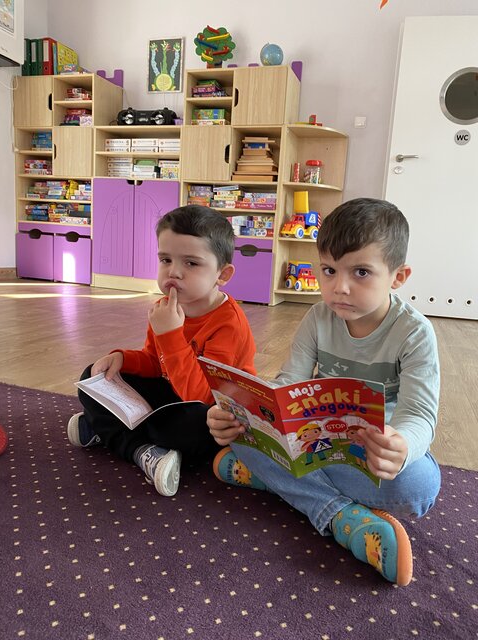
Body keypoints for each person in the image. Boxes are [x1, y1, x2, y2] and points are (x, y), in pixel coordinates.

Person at [208, 197, 441, 587]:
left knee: (419, 487)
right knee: (242, 435)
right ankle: (342, 518)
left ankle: (277, 481)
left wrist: (401, 446)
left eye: (361, 272)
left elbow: (419, 414)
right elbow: (287, 385)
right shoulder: (317, 317)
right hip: (316, 444)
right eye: (329, 270)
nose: (339, 288)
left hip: (371, 455)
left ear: (398, 277)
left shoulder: (414, 332)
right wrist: (239, 414)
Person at [68, 205, 256, 497]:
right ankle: (139, 446)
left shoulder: (228, 322)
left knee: (197, 428)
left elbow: (202, 396)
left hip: (209, 410)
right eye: (165, 259)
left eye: (191, 263)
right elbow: (156, 363)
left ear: (223, 274)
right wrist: (123, 359)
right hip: (170, 397)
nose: (174, 272)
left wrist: (170, 335)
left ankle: (113, 432)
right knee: (94, 377)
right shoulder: (164, 308)